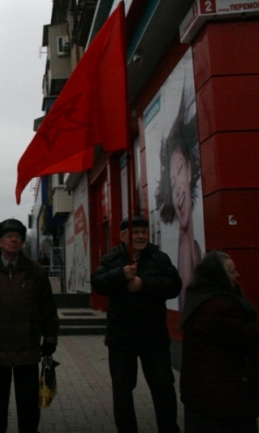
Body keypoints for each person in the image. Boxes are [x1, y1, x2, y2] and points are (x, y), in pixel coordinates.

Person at [91, 216, 181, 433]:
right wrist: (120, 275)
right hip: (121, 338)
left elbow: (174, 285)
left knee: (163, 387)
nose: (141, 236)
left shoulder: (159, 258)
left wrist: (145, 283)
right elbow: (98, 283)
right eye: (135, 233)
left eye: (144, 232)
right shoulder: (112, 259)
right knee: (122, 390)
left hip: (154, 337)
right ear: (122, 236)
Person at [0, 218, 59, 433]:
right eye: (8, 236)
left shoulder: (35, 270)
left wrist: (50, 338)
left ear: (23, 241)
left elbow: (47, 307)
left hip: (28, 348)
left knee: (28, 405)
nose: (13, 240)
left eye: (17, 237)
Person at [180, 251, 258, 433]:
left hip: (204, 395)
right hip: (221, 400)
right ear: (218, 276)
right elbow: (249, 336)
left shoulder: (200, 297)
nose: (237, 275)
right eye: (232, 271)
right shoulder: (219, 307)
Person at [154, 95, 202, 307]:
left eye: (180, 170)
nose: (178, 190)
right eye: (172, 183)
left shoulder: (194, 246)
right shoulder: (184, 247)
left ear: (190, 170)